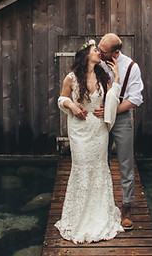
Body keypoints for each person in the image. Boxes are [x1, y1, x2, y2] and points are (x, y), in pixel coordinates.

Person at [55, 39, 124, 244]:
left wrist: (117, 77)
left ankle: (100, 213)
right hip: (80, 131)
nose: (99, 53)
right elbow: (60, 99)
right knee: (82, 169)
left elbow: (113, 99)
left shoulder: (104, 76)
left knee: (99, 169)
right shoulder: (71, 78)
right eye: (96, 50)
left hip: (99, 130)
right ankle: (78, 217)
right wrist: (71, 105)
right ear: (86, 55)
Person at [94, 33, 143, 230]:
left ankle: (126, 206)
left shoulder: (132, 67)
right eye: (97, 48)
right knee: (99, 160)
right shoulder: (97, 62)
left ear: (116, 52)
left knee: (125, 163)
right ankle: (100, 204)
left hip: (121, 119)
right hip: (98, 118)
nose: (98, 52)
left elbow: (135, 99)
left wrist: (111, 110)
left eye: (102, 51)